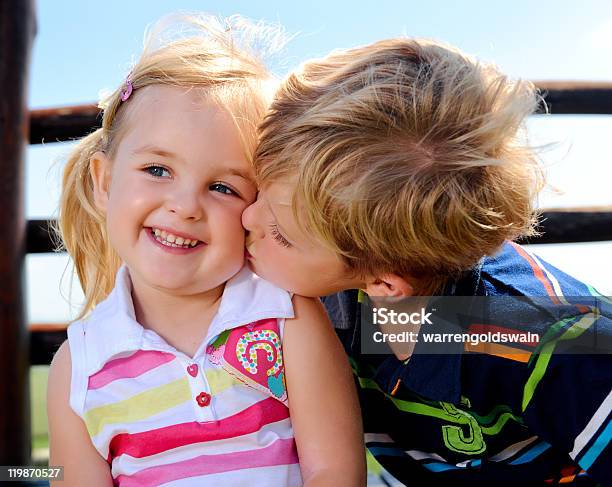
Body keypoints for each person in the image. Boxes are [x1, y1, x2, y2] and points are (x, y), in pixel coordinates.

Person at [242, 37, 612, 486]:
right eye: (258, 189)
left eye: (281, 233)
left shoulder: (550, 341)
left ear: (386, 282)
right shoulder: (333, 295)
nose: (247, 216)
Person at [46, 14, 365, 487]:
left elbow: (336, 472)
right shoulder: (79, 367)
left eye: (222, 186)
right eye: (157, 170)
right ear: (105, 181)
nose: (185, 206)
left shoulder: (287, 317)